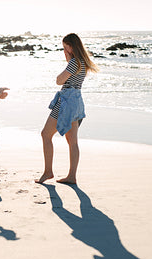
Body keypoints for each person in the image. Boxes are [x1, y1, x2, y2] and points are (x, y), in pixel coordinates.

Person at [36, 33, 98, 184]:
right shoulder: (83, 62)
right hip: (77, 101)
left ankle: (48, 171)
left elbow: (59, 81)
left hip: (66, 101)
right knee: (73, 142)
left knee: (46, 134)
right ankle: (72, 176)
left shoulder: (74, 62)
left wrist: (68, 61)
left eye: (65, 47)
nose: (64, 49)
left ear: (71, 46)